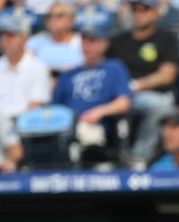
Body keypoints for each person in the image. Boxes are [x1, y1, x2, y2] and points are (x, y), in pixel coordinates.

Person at [106, 0, 179, 165]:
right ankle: (102, 157)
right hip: (119, 95)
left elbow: (167, 75)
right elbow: (107, 72)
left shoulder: (165, 38)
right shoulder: (118, 40)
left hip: (152, 94)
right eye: (134, 8)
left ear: (155, 12)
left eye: (144, 9)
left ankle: (140, 156)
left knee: (160, 105)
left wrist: (134, 86)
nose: (138, 13)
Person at [52, 17, 132, 163]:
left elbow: (124, 102)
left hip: (97, 128)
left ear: (104, 44)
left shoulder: (114, 68)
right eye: (84, 40)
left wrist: (99, 112)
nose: (87, 46)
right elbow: (55, 108)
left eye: (92, 41)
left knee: (86, 134)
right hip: (66, 127)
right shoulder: (68, 73)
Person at [0, 11, 51, 118]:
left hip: (25, 125)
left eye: (11, 35)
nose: (5, 40)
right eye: (2, 35)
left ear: (24, 38)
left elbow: (36, 105)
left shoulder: (38, 67)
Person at [27, 1, 84, 77]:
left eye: (59, 16)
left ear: (72, 19)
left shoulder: (83, 43)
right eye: (49, 16)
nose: (53, 19)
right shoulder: (35, 42)